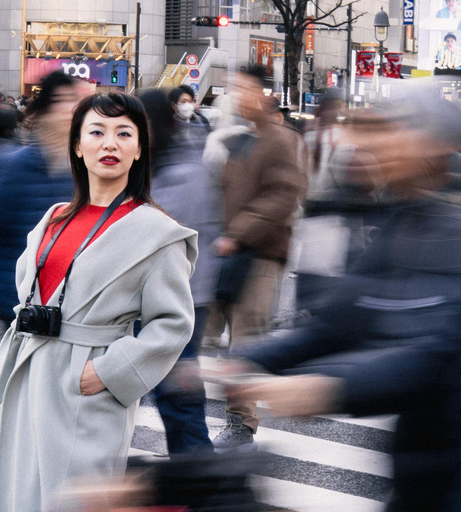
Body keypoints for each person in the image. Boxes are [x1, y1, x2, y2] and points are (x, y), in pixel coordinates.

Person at [219, 94, 461, 512]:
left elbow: (438, 352)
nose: (372, 144)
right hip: (423, 466)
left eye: (392, 130)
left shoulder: (451, 227)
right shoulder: (405, 217)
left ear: (436, 144)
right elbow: (344, 319)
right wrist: (247, 361)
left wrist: (331, 388)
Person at [0, 92, 198, 512]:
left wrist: (108, 371)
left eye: (124, 133)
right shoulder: (54, 217)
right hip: (30, 376)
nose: (110, 143)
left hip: (87, 385)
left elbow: (173, 324)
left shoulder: (157, 233)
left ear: (139, 149)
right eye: (97, 132)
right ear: (78, 146)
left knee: (72, 502)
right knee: (21, 497)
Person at [0, 72, 86, 490]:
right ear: (44, 111)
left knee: (53, 394)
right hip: (24, 307)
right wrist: (10, 304)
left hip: (74, 307)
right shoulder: (18, 166)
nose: (72, 111)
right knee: (22, 389)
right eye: (65, 101)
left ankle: (31, 468)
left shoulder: (87, 168)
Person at [207, 65, 306, 453]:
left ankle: (241, 425)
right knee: (210, 334)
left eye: (247, 89)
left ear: (264, 94)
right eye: (236, 89)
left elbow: (283, 196)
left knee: (245, 343)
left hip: (260, 255)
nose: (240, 96)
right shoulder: (241, 138)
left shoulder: (281, 139)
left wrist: (239, 232)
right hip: (228, 252)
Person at [140, 88, 222, 455]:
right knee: (170, 386)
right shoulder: (166, 161)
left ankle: (198, 466)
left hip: (182, 293)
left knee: (176, 387)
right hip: (170, 292)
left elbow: (162, 232)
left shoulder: (182, 169)